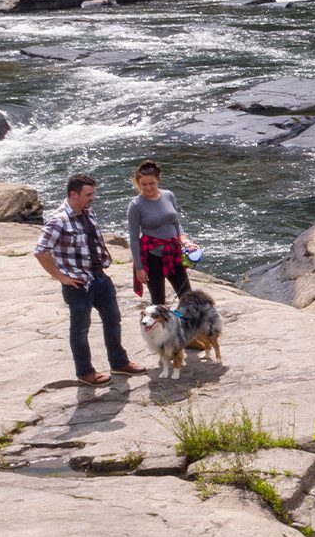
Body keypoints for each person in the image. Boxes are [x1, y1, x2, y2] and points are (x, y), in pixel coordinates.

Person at [33, 172, 147, 387]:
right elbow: (40, 251)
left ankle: (119, 363)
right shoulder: (59, 220)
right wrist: (60, 277)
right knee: (80, 329)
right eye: (88, 194)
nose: (92, 197)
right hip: (78, 285)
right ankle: (85, 372)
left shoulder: (89, 211)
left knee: (113, 320)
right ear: (73, 194)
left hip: (100, 278)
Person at [127, 159, 194, 306]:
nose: (148, 187)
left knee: (187, 297)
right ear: (138, 183)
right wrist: (139, 268)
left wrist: (185, 241)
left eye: (151, 183)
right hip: (152, 258)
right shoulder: (135, 205)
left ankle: (186, 327)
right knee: (158, 301)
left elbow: (176, 223)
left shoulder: (168, 195)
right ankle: (159, 328)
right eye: (143, 184)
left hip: (173, 253)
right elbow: (133, 239)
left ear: (158, 180)